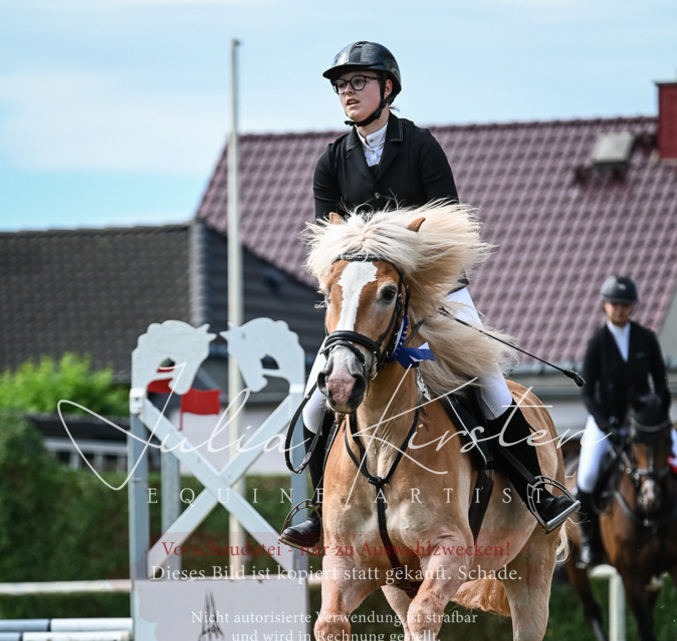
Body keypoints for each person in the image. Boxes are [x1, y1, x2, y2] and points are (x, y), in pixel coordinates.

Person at [280, 40, 578, 549]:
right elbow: (333, 243)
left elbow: (446, 227)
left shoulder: (420, 146)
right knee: (315, 399)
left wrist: (387, 244)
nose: (347, 92)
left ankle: (537, 489)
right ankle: (312, 508)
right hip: (366, 303)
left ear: (387, 88)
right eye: (340, 85)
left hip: (435, 292)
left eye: (358, 83)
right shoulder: (330, 161)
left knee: (490, 382)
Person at [575, 275, 677, 569]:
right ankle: (589, 544)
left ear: (633, 307)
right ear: (605, 306)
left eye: (625, 305)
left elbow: (660, 381)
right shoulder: (597, 342)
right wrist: (606, 425)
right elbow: (587, 390)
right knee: (588, 476)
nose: (619, 310)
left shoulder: (646, 338)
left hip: (645, 425)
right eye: (614, 304)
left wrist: (656, 413)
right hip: (605, 423)